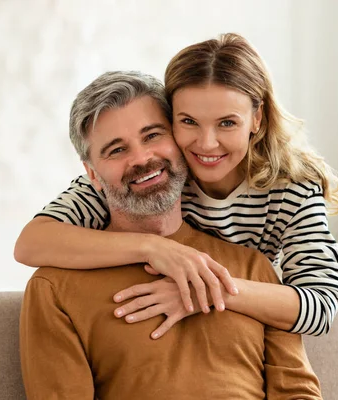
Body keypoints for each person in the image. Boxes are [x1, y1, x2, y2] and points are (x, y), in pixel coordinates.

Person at [15, 33, 338, 339]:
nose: (207, 144)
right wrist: (153, 247)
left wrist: (199, 289)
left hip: (243, 324)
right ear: (172, 117)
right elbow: (30, 244)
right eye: (189, 122)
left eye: (227, 123)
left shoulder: (290, 188)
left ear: (257, 119)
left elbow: (320, 307)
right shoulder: (160, 173)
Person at [19, 70, 322, 399]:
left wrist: (214, 290)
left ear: (178, 139)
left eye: (152, 136)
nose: (142, 159)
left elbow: (298, 392)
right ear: (92, 173)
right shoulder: (54, 289)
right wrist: (151, 248)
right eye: (116, 150)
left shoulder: (253, 268)